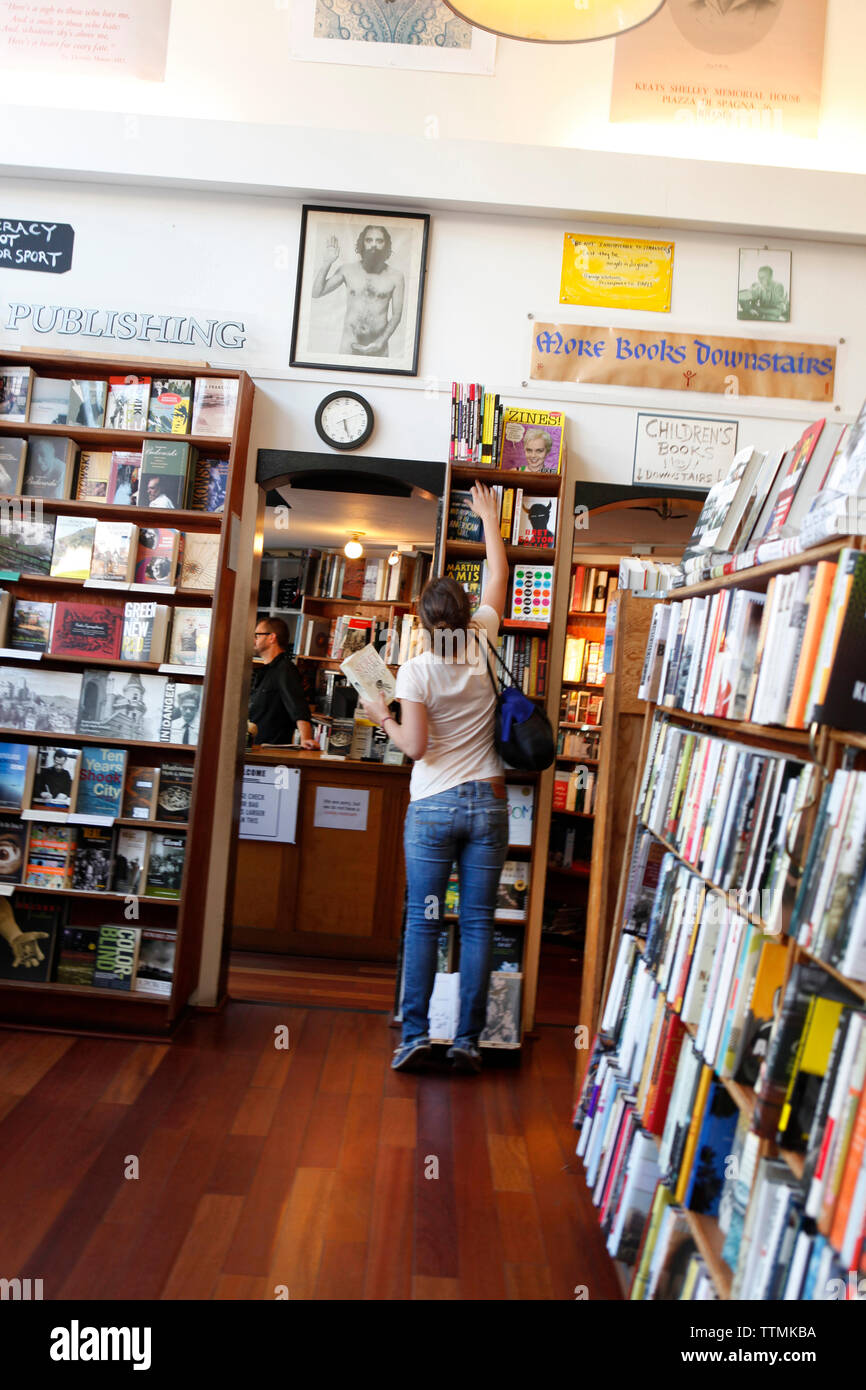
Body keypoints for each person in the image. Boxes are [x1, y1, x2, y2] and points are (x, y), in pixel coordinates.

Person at [360, 481, 509, 1074]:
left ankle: (415, 1036)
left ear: (422, 620)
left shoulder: (417, 668)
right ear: (467, 612)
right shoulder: (484, 642)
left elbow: (416, 747)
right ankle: (468, 1041)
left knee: (423, 922)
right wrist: (490, 521)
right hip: (489, 803)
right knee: (476, 925)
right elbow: (500, 574)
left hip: (434, 807)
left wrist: (380, 717)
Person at [312, 224, 405, 357]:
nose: (374, 245)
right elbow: (316, 293)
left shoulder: (396, 276)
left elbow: (396, 316)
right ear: (362, 243)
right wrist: (327, 263)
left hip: (378, 348)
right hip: (349, 346)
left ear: (386, 245)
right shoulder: (347, 270)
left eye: (379, 241)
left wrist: (380, 341)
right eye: (369, 240)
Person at [248, 618, 317, 748]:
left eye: (257, 635)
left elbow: (298, 706)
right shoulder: (265, 671)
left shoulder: (285, 669)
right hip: (254, 748)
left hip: (271, 751)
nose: (253, 639)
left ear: (271, 638)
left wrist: (306, 738)